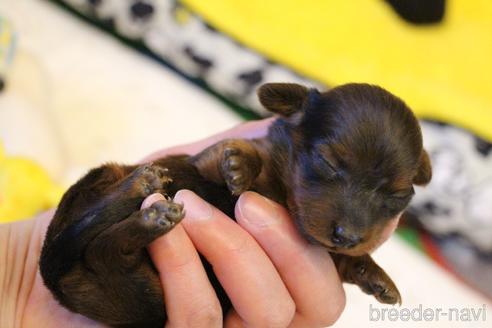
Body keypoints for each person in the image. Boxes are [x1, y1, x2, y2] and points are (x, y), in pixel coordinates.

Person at [0, 118, 399, 327]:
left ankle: (127, 221)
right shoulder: (267, 153)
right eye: (330, 166)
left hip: (117, 289)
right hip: (95, 245)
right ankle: (127, 219)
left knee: (139, 287)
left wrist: (353, 264)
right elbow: (209, 164)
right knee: (106, 203)